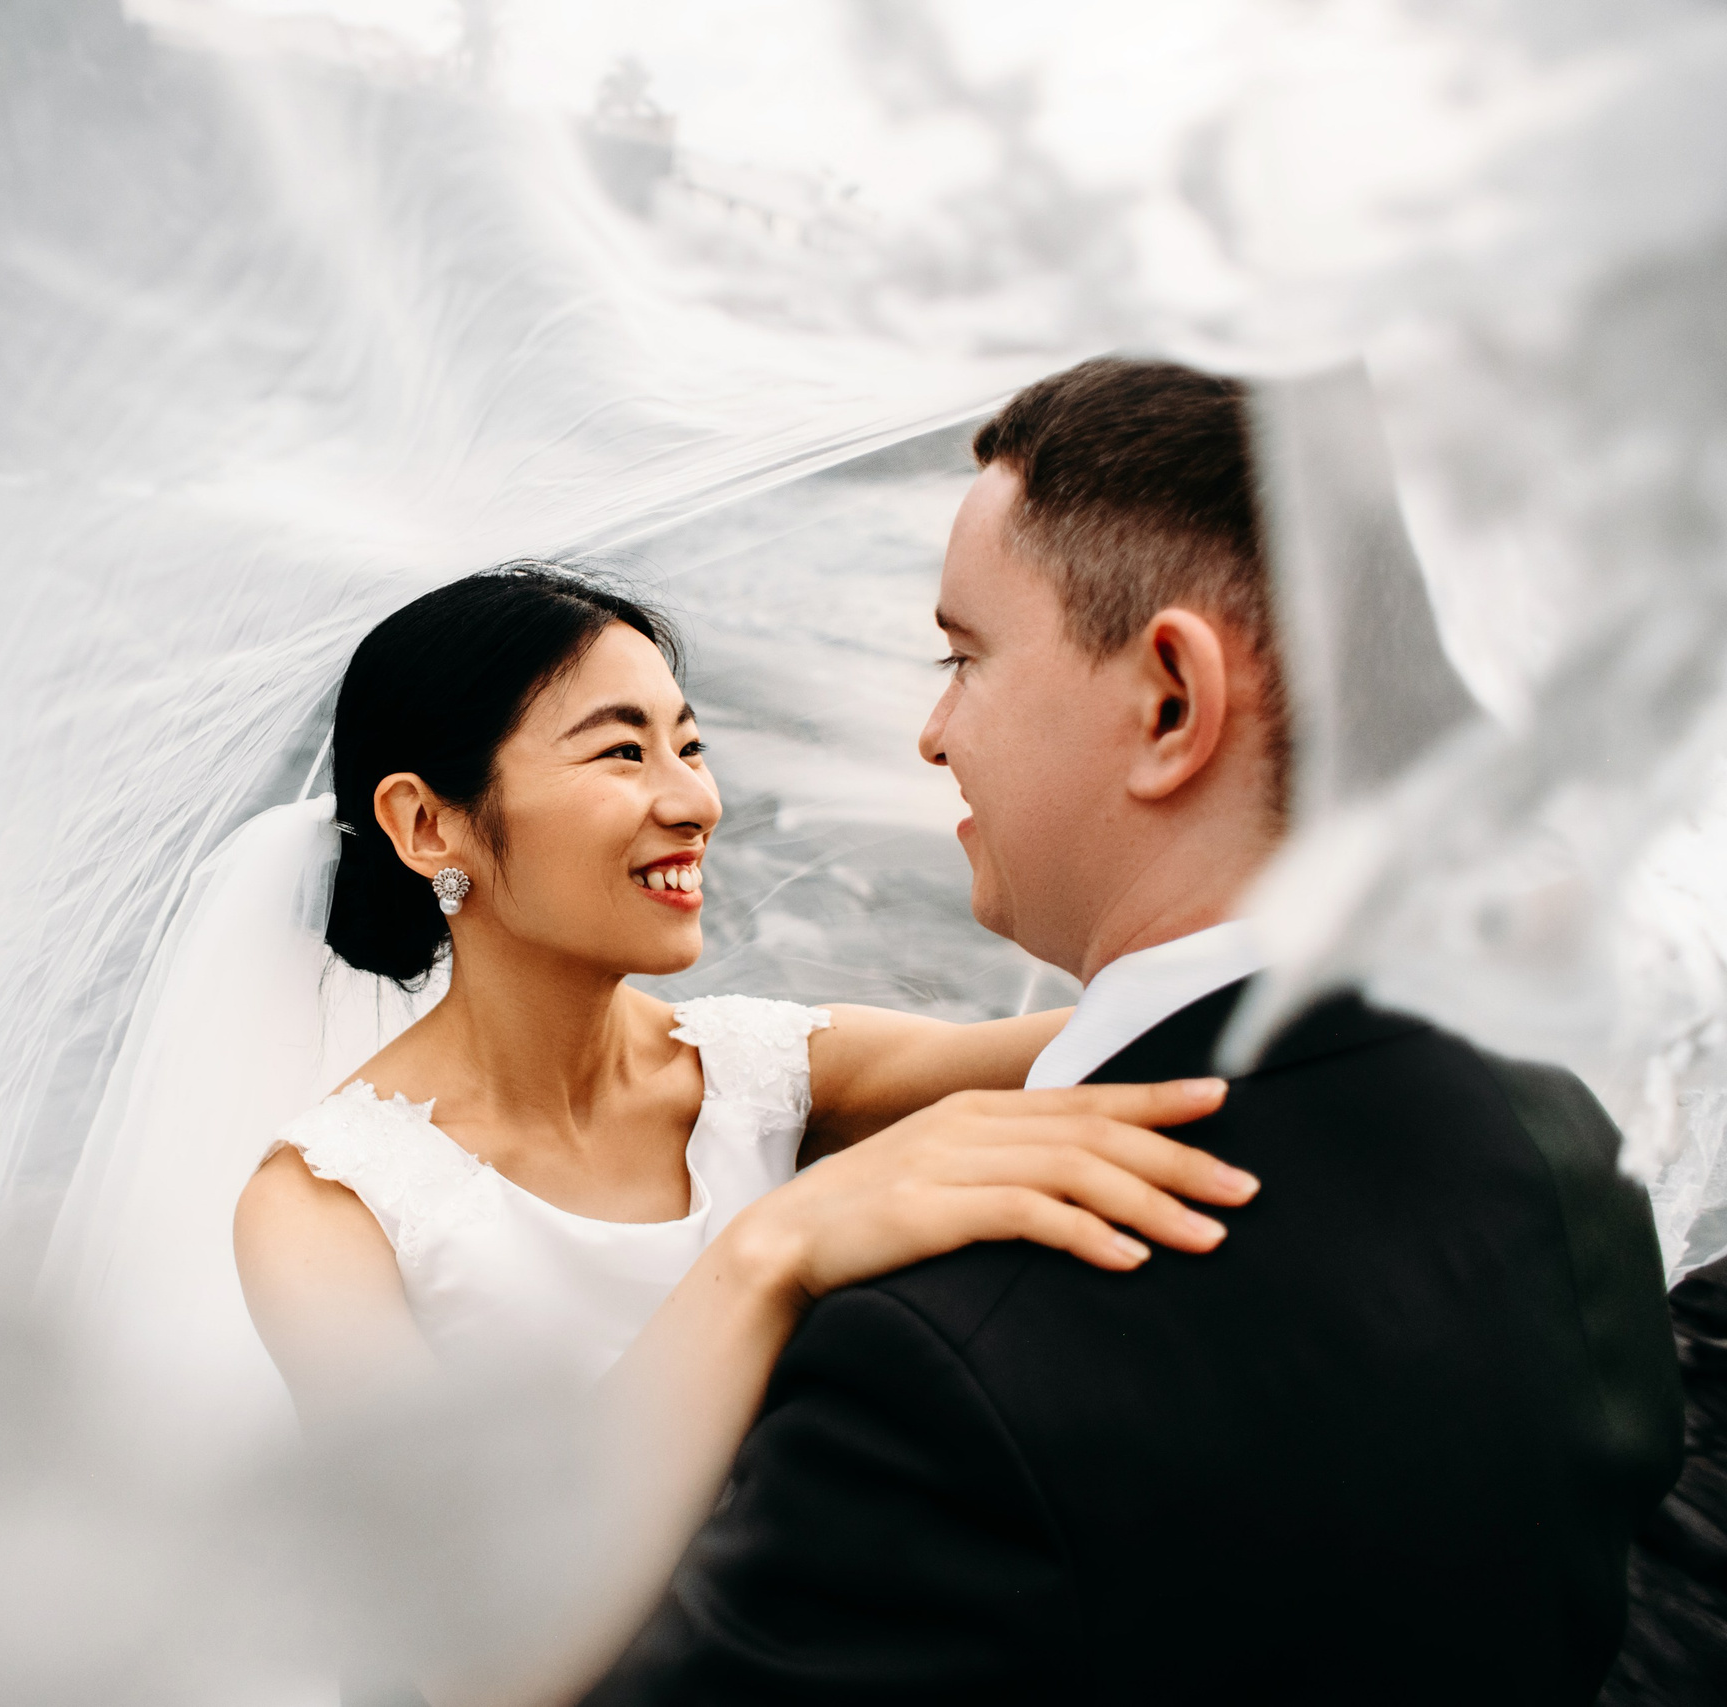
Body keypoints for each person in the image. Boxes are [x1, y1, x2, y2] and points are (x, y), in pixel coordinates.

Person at [581, 356, 1687, 1705]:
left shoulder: (947, 1365)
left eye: (964, 655)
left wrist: (765, 1254)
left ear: (1171, 702)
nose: (933, 734)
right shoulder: (1554, 1140)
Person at [231, 562, 1258, 1696]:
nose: (693, 800)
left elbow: (1139, 1031)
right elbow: (476, 1652)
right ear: (428, 824)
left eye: (690, 744)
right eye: (621, 752)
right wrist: (772, 1251)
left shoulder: (762, 1072)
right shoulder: (325, 1208)